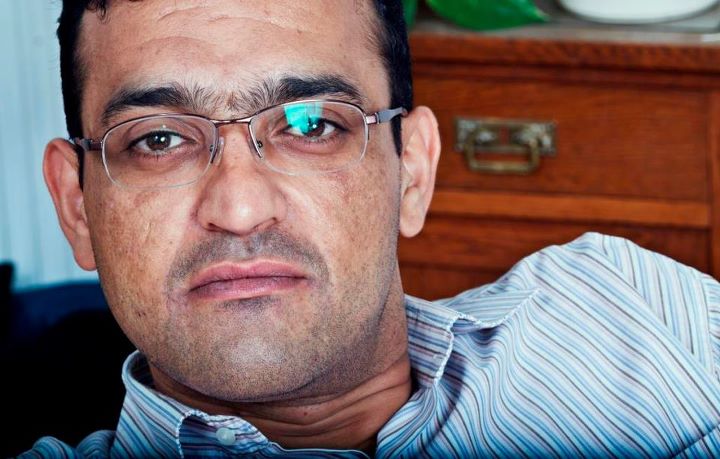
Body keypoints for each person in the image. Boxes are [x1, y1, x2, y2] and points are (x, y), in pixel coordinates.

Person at [22, 0, 720, 457]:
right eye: (158, 139)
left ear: (412, 171)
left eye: (311, 125)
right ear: (77, 206)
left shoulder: (629, 306)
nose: (238, 210)